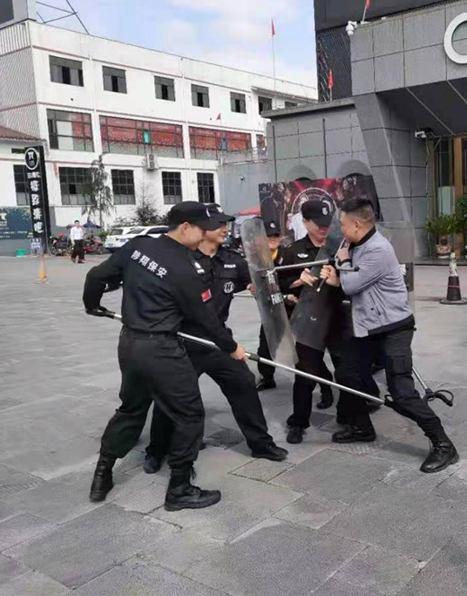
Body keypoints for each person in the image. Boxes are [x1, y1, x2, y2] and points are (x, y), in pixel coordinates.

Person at [82, 201, 247, 511]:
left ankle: (102, 475)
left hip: (130, 344)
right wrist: (231, 347)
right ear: (185, 227)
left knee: (131, 409)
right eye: (202, 230)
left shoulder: (137, 246)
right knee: (189, 415)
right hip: (162, 350)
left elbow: (95, 276)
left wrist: (92, 305)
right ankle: (179, 489)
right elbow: (207, 320)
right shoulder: (187, 268)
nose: (205, 236)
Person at [144, 205, 288, 472]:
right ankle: (156, 449)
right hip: (182, 340)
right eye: (219, 224)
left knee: (243, 383)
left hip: (218, 340)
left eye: (226, 223)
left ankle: (261, 443)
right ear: (201, 227)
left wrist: (258, 287)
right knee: (170, 396)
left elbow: (257, 281)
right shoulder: (180, 258)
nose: (225, 228)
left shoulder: (233, 260)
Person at [320, 197, 458, 473]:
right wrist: (340, 271)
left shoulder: (378, 249)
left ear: (356, 224)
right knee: (347, 374)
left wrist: (343, 267)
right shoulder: (356, 244)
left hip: (394, 328)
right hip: (369, 328)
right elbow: (344, 275)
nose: (341, 230)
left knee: (402, 393)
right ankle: (362, 427)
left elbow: (351, 284)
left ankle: (443, 444)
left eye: (343, 224)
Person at [278, 199, 345, 444]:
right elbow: (279, 283)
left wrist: (338, 278)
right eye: (318, 224)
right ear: (305, 222)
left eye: (328, 223)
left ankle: (350, 417)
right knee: (304, 374)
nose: (324, 229)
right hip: (309, 321)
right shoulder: (292, 251)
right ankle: (298, 422)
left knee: (346, 371)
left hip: (338, 319)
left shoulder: (342, 246)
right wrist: (298, 280)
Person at [256, 219, 283, 392]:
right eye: (268, 236)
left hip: (293, 306)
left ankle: (324, 387)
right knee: (265, 346)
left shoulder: (288, 254)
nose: (273, 239)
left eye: (276, 235)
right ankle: (267, 377)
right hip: (271, 309)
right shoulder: (255, 258)